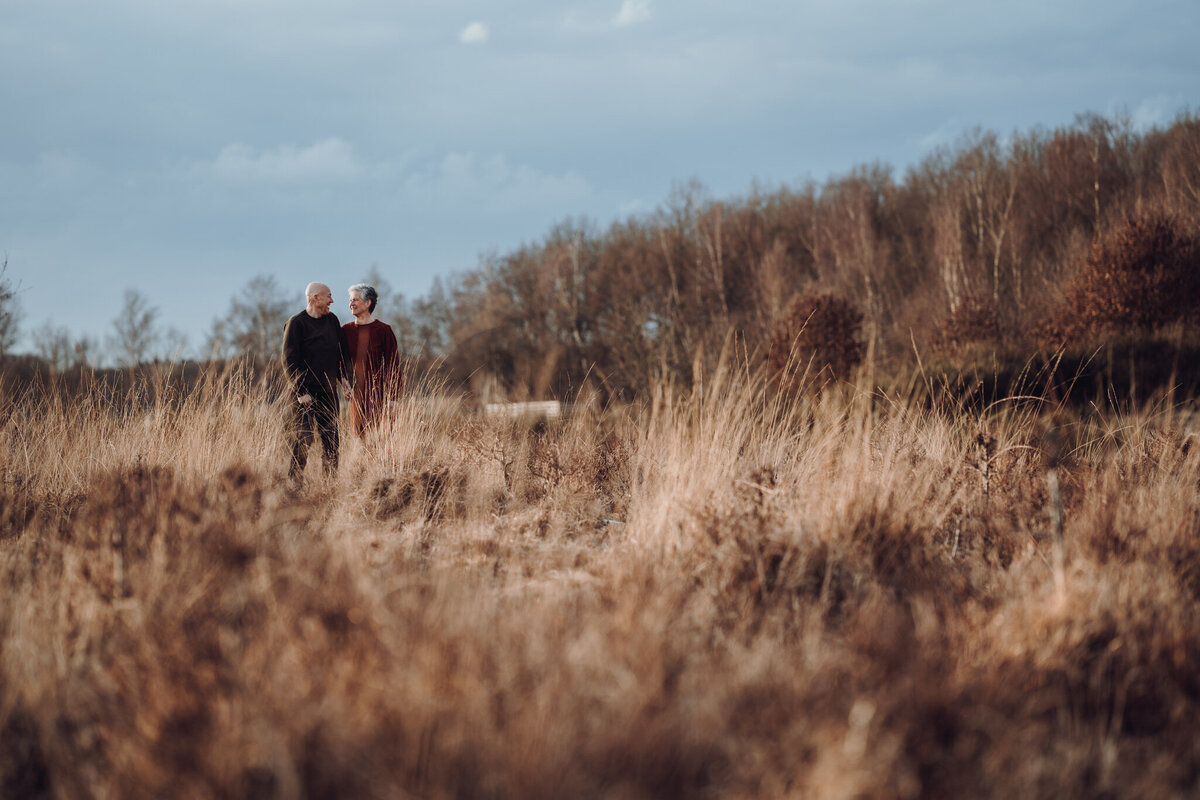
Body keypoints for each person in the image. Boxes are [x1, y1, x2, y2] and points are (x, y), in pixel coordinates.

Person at [282, 282, 350, 481]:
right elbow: (289, 360)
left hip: (328, 392)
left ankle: (329, 485)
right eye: (328, 296)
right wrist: (301, 390)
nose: (332, 300)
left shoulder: (332, 321)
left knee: (332, 441)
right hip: (304, 394)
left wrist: (345, 380)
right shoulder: (296, 323)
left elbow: (341, 353)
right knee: (305, 438)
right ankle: (293, 483)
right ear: (315, 298)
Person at [343, 283, 402, 435]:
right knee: (360, 438)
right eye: (350, 300)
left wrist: (393, 398)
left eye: (355, 300)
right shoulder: (345, 331)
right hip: (356, 397)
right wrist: (343, 380)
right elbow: (339, 360)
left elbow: (393, 365)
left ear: (368, 303)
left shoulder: (383, 330)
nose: (351, 303)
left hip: (381, 397)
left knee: (381, 438)